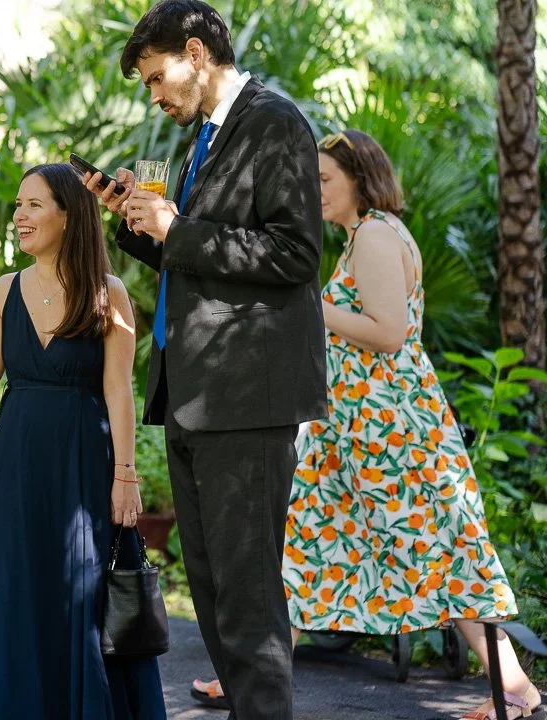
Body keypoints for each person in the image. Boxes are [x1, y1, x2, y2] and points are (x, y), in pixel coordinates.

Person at [192, 129, 544, 720]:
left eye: (324, 179)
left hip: (392, 435)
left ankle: (517, 691)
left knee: (442, 556)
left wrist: (307, 304)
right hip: (353, 432)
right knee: (301, 549)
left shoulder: (378, 236)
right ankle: (251, 681)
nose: (314, 190)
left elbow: (388, 333)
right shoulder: (361, 238)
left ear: (361, 179)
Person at [82, 2, 328, 718]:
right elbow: (197, 260)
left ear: (195, 51)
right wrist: (139, 221)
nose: (154, 97)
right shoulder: (206, 142)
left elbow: (294, 254)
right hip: (194, 397)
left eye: (158, 78)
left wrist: (179, 228)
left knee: (247, 602)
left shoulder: (274, 123)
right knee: (217, 597)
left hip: (247, 400)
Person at [0, 163, 167, 719]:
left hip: (83, 463)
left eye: (33, 204)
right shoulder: (4, 289)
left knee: (82, 595)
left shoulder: (107, 293)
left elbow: (119, 391)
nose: (19, 215)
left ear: (69, 215)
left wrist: (126, 476)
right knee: (17, 591)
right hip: (17, 461)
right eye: (18, 205)